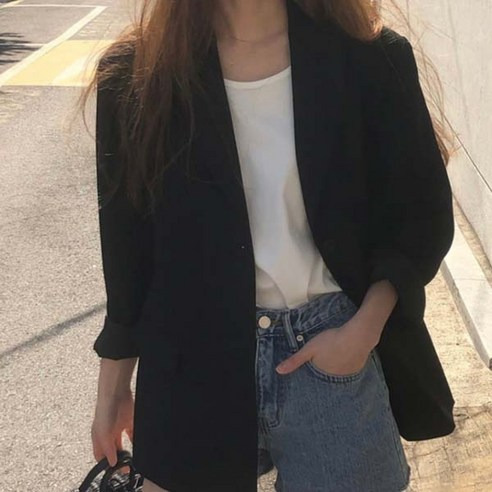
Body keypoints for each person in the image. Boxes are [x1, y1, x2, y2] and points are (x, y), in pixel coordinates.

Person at [84, 0, 456, 491]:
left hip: (328, 352)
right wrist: (113, 386)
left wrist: (364, 329)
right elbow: (127, 249)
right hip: (192, 361)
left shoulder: (369, 57)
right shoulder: (136, 75)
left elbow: (421, 214)